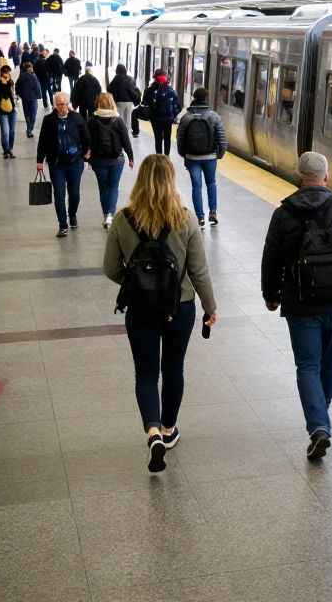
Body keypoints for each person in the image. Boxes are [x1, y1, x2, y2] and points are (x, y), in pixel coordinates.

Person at [103, 154, 217, 473]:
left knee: (145, 373)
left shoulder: (123, 219)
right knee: (173, 369)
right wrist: (210, 307)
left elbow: (110, 268)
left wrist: (137, 284)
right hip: (180, 307)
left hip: (140, 310)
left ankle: (152, 431)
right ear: (171, 181)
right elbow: (199, 271)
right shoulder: (186, 218)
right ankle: (168, 430)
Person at [260, 151, 332, 459]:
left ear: (299, 177)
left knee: (308, 365)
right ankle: (322, 411)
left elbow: (271, 259)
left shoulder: (284, 213)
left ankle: (319, 426)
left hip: (300, 304)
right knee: (330, 358)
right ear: (326, 177)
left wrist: (270, 294)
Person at [35, 91, 90, 238]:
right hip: (56, 164)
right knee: (59, 194)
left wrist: (86, 154)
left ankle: (72, 214)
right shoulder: (48, 120)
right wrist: (39, 161)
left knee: (74, 194)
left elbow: (86, 137)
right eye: (59, 104)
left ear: (68, 104)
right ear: (55, 105)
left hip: (75, 163)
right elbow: (42, 141)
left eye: (64, 104)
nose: (62, 107)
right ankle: (62, 225)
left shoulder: (77, 118)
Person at [176, 87, 226, 228]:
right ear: (206, 98)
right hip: (210, 157)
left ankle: (200, 217)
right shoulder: (214, 116)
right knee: (211, 183)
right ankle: (213, 212)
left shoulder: (186, 117)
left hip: (192, 158)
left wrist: (183, 154)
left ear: (194, 97)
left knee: (196, 186)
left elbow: (180, 138)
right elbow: (222, 137)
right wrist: (219, 154)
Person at [88, 93, 135, 228]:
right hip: (116, 159)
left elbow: (87, 140)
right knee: (113, 187)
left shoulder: (91, 120)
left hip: (98, 160)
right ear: (112, 103)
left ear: (98, 104)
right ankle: (110, 215)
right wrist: (131, 157)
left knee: (103, 188)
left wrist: (87, 157)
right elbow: (126, 140)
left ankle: (106, 215)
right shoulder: (118, 120)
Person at [142, 68, 181, 155]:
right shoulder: (171, 89)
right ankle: (166, 157)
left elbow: (144, 103)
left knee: (158, 139)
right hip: (168, 118)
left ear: (155, 78)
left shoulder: (150, 89)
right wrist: (173, 116)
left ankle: (159, 157)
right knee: (167, 139)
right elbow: (177, 104)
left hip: (155, 119)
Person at [108, 63, 141, 133]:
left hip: (119, 102)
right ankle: (127, 136)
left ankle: (120, 136)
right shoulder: (130, 79)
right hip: (129, 103)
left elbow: (109, 90)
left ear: (117, 71)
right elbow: (135, 90)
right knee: (128, 121)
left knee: (119, 120)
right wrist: (136, 101)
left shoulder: (115, 79)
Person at [0, 65, 17, 158]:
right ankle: (6, 150)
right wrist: (3, 83)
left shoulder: (11, 83)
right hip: (1, 110)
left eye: (8, 72)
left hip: (11, 109)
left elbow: (12, 95)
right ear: (2, 73)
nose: (7, 74)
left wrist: (9, 83)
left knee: (12, 131)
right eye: (5, 72)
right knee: (5, 132)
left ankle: (10, 149)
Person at [16, 61, 42, 138]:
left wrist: (19, 94)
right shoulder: (34, 76)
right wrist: (39, 96)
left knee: (27, 114)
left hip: (25, 98)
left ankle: (29, 128)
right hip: (33, 98)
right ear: (31, 68)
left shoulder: (21, 76)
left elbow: (17, 86)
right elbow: (37, 86)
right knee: (33, 115)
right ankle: (30, 129)